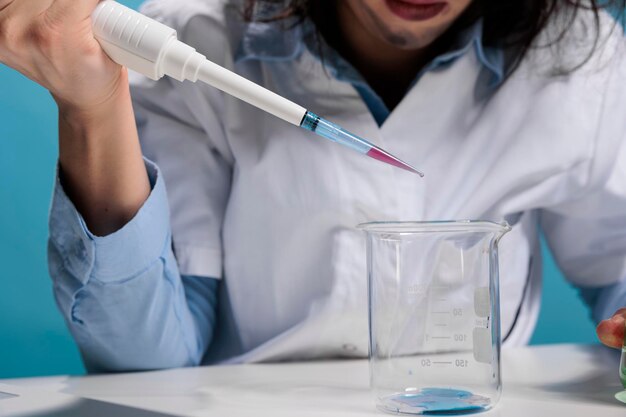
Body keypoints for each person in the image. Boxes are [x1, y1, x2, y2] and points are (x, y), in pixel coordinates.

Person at [0, 0, 625, 372]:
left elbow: (617, 266)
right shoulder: (200, 41)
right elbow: (147, 364)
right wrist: (92, 107)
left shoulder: (578, 57)